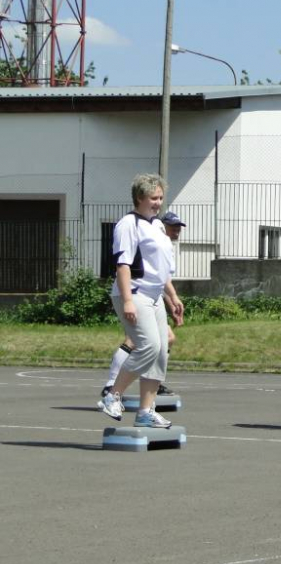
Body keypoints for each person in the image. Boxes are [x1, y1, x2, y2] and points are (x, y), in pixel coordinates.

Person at [97, 174, 184, 428]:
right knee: (147, 346)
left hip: (154, 295)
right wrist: (127, 302)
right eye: (153, 198)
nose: (158, 203)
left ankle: (146, 411)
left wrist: (173, 297)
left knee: (160, 351)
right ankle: (112, 395)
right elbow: (122, 265)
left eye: (160, 198)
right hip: (134, 293)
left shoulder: (156, 226)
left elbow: (160, 271)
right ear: (139, 198)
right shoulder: (128, 224)